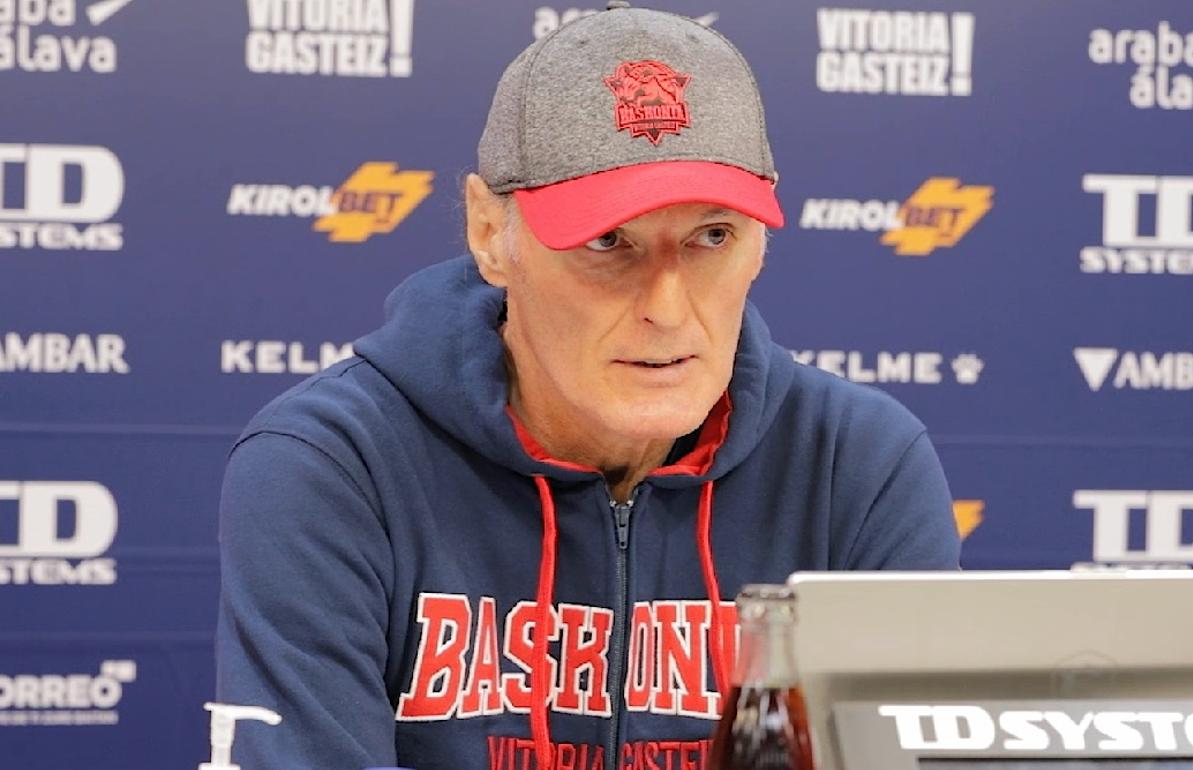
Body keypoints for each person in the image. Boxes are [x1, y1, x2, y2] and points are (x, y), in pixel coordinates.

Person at [215, 4, 961, 770]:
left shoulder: (857, 463)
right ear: (487, 234)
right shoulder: (337, 463)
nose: (668, 309)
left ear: (760, 244)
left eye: (713, 237)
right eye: (608, 242)